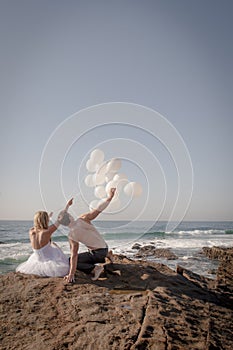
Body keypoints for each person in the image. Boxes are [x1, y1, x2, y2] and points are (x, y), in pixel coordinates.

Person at [58, 188, 116, 283]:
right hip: (104, 248)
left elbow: (74, 255)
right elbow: (98, 210)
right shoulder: (83, 219)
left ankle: (95, 269)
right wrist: (110, 197)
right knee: (90, 251)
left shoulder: (72, 235)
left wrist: (71, 274)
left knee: (70, 260)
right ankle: (108, 254)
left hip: (97, 254)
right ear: (70, 216)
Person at [16, 208, 70, 277]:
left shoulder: (31, 231)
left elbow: (39, 228)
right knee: (55, 247)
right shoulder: (47, 232)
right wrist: (67, 206)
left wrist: (48, 217)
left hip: (37, 259)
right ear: (46, 220)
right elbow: (60, 219)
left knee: (52, 245)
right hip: (48, 262)